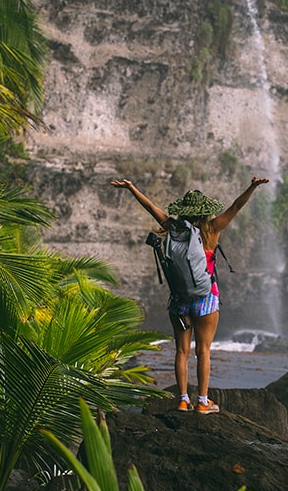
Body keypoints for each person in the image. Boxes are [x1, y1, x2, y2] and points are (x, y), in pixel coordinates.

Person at [109, 177, 269, 413]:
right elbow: (236, 206)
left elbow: (151, 208)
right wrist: (252, 187)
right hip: (206, 300)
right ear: (205, 212)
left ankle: (183, 399)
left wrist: (132, 188)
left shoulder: (173, 228)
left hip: (179, 302)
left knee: (181, 351)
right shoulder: (213, 229)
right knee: (203, 351)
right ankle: (203, 402)